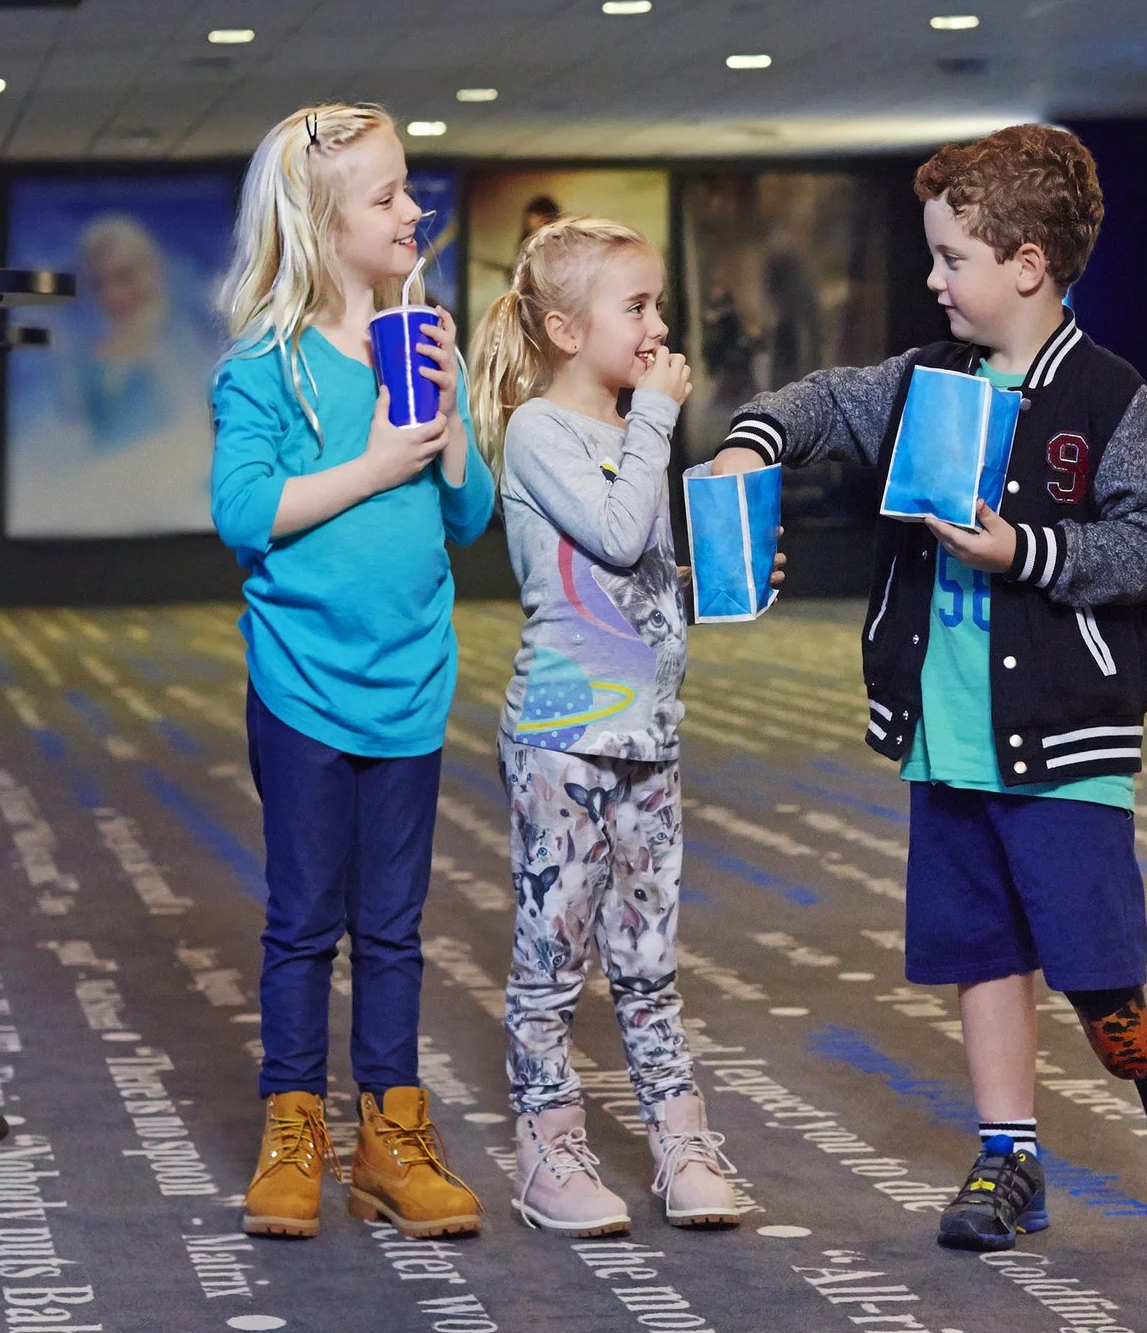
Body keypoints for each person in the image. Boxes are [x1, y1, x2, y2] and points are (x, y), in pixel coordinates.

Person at [708, 123, 1147, 1266]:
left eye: (953, 258)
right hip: (945, 736)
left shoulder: (1107, 397)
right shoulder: (922, 380)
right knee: (981, 951)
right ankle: (1010, 1154)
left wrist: (1028, 553)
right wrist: (752, 445)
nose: (937, 279)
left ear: (1027, 264)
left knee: (1096, 962)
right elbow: (820, 402)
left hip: (1066, 738)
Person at [209, 102, 493, 1242]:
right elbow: (242, 514)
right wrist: (378, 461)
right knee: (301, 924)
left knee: (393, 928)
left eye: (408, 187)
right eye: (384, 195)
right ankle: (295, 1134)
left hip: (410, 683)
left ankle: (391, 1137)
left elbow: (468, 518)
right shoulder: (267, 368)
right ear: (320, 225)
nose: (411, 208)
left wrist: (455, 421)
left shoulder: (422, 336)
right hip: (303, 689)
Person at [468, 216, 745, 1236]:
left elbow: (642, 578)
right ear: (563, 327)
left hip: (647, 737)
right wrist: (663, 422)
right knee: (554, 952)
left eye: (657, 304)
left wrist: (721, 575)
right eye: (636, 306)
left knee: (648, 951)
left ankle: (680, 1137)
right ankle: (545, 1146)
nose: (657, 325)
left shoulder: (633, 432)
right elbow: (618, 529)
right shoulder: (544, 430)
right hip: (564, 740)